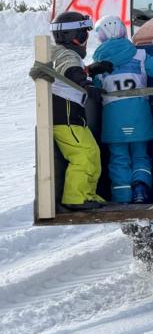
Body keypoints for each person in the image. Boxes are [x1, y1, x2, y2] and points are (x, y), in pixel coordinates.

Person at [29, 12, 112, 210]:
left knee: (92, 152)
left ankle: (86, 194)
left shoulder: (61, 53)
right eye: (84, 34)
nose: (85, 39)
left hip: (73, 117)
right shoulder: (67, 55)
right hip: (66, 117)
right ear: (74, 35)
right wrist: (87, 84)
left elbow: (71, 71)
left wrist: (91, 70)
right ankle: (75, 197)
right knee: (83, 154)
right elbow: (70, 70)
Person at [91, 15, 153, 204]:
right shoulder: (139, 55)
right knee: (140, 155)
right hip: (139, 115)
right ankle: (140, 190)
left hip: (113, 119)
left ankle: (122, 199)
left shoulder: (98, 64)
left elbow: (95, 87)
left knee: (118, 159)